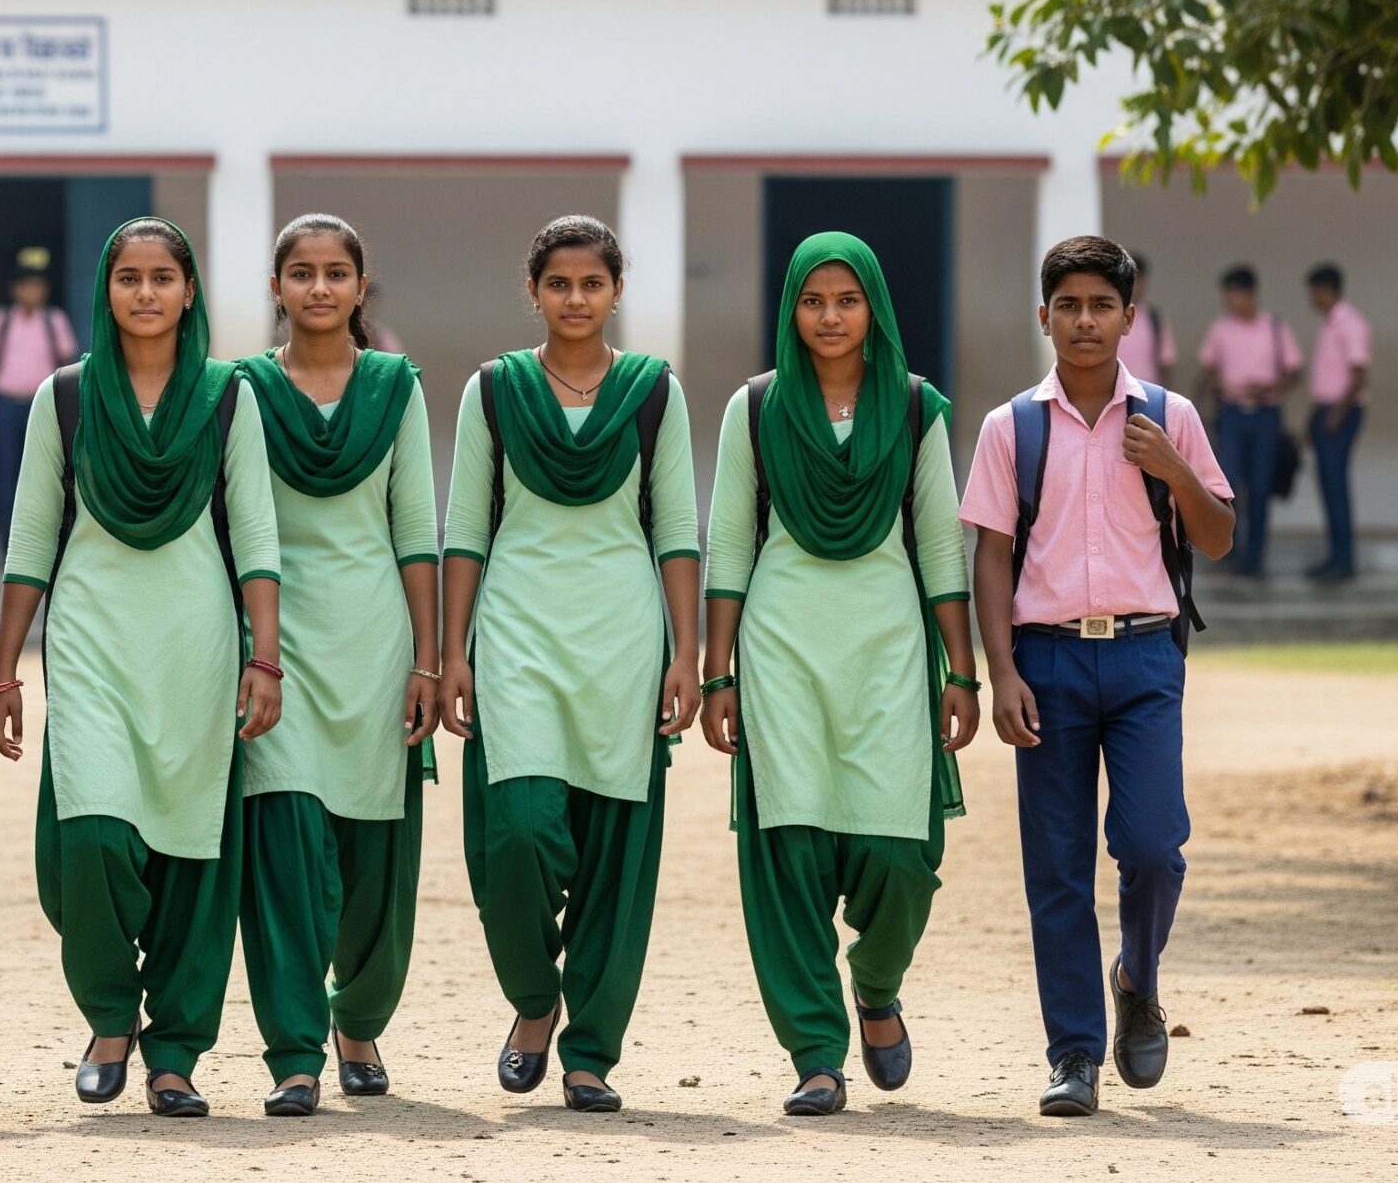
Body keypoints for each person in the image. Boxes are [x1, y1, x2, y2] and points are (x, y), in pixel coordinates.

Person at [0, 216, 284, 1120]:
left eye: (163, 277)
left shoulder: (230, 396)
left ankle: (175, 1054)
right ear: (105, 291)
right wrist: (2, 673)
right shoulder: (65, 397)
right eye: (128, 278)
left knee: (195, 844)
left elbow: (258, 535)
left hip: (195, 641)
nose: (145, 293)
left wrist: (263, 656)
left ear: (189, 291)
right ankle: (111, 1017)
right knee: (96, 837)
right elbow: (33, 536)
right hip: (92, 641)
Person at [699, 232, 978, 1117]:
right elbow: (729, 543)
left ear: (874, 310)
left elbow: (938, 539)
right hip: (780, 646)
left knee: (900, 852)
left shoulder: (917, 407)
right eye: (813, 301)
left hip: (890, 647)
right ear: (791, 309)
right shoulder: (755, 408)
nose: (828, 317)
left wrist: (960, 669)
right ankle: (815, 1054)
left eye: (846, 300)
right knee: (790, 847)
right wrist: (718, 675)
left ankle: (876, 980)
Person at [961, 236, 1233, 1117]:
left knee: (1153, 846)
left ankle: (1138, 976)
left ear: (1129, 316)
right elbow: (993, 555)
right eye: (1068, 305)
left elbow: (1220, 534)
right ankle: (1074, 1051)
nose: (1085, 321)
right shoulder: (1012, 427)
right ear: (1044, 316)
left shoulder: (1170, 415)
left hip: (1147, 654)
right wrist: (1000, 671)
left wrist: (1175, 469)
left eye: (1102, 306)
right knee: (1058, 864)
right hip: (1045, 659)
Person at [438, 215, 702, 1114]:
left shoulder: (653, 390)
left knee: (613, 859)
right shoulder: (496, 389)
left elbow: (674, 529)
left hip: (625, 639)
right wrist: (454, 652)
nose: (577, 299)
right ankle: (534, 1000)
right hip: (516, 634)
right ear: (534, 291)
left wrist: (685, 653)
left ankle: (589, 1052)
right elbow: (467, 528)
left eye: (593, 284)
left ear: (616, 291)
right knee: (517, 830)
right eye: (560, 284)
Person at [230, 214, 438, 1116]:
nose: (319, 288)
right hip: (275, 645)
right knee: (281, 850)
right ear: (275, 287)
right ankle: (295, 1053)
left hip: (376, 642)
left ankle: (358, 1021)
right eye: (301, 272)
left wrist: (431, 658)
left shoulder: (397, 387)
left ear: (361, 286)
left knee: (373, 855)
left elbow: (417, 531)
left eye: (336, 272)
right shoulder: (238, 390)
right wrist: (250, 648)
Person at [1196, 264, 1300, 578]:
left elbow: (1295, 370)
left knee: (1260, 486)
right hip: (1231, 414)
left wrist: (1271, 387)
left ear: (1250, 294)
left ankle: (1255, 558)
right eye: (1227, 297)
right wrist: (1205, 398)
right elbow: (1209, 369)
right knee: (1228, 487)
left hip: (1266, 414)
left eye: (1235, 295)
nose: (1231, 302)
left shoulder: (1275, 328)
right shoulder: (1220, 329)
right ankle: (1230, 552)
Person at [0, 259, 78, 540]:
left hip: (43, 407)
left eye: (37, 286)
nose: (32, 292)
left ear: (45, 290)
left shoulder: (55, 321)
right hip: (6, 403)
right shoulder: (1, 319)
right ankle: (9, 543)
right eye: (26, 286)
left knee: (47, 473)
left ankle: (46, 539)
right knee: (8, 474)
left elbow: (66, 366)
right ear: (15, 290)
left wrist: (70, 405)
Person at [1304, 263, 1370, 582]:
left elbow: (1358, 376)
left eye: (1314, 291)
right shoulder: (1330, 323)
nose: (1311, 298)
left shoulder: (1350, 323)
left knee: (1336, 485)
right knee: (1329, 486)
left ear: (1325, 290)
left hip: (1341, 412)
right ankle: (1335, 557)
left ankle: (1344, 561)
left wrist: (1335, 416)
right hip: (1327, 410)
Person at [1118, 252, 1177, 390]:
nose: (1132, 287)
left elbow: (1166, 363)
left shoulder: (1154, 318)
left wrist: (1165, 400)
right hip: (1111, 394)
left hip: (1147, 395)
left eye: (1137, 281)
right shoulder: (1106, 317)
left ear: (1144, 282)